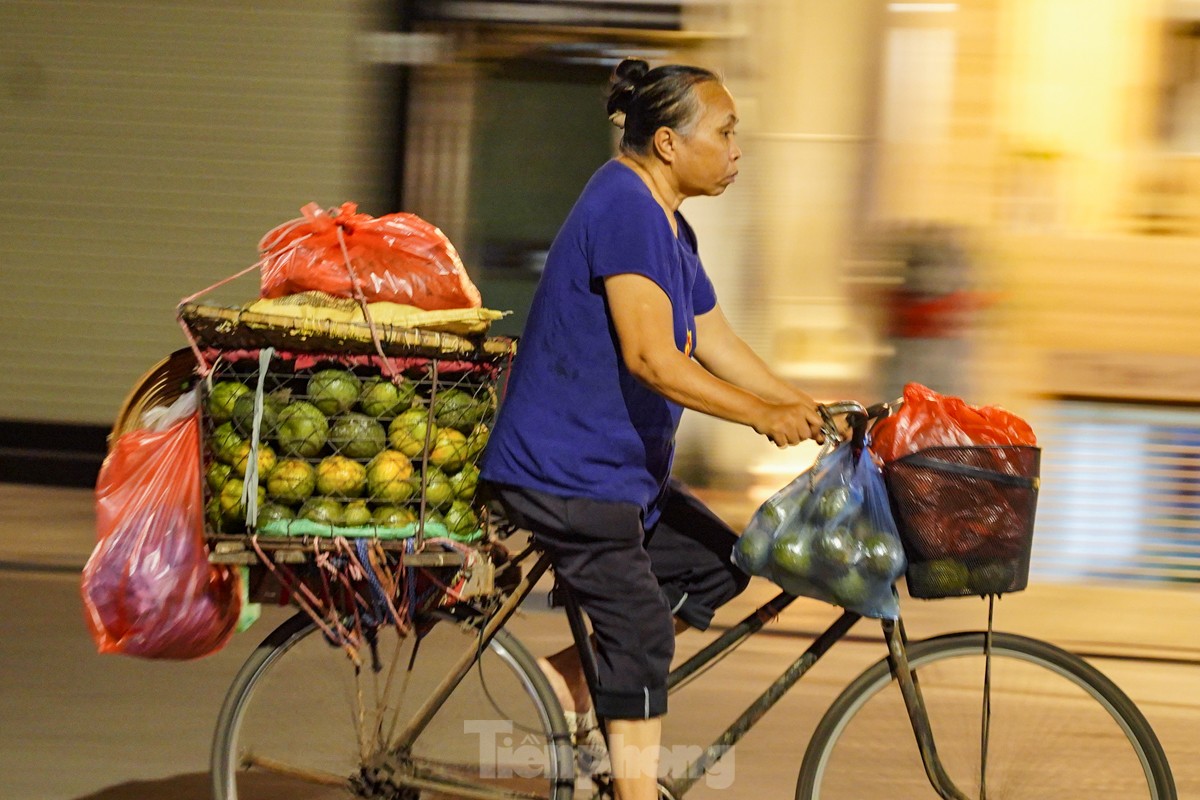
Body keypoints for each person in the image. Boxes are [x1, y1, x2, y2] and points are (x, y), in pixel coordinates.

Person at [480, 58, 826, 800]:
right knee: (641, 635)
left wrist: (811, 407)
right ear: (668, 142)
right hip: (565, 473)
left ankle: (566, 684)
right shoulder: (624, 208)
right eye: (726, 132)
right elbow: (652, 359)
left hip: (618, 474)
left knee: (718, 564)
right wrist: (760, 415)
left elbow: (715, 342)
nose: (737, 150)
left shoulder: (670, 228)